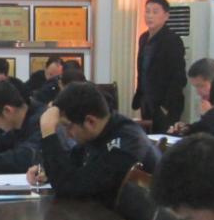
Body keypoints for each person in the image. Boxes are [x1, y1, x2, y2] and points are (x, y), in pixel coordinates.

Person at [28, 82, 160, 207]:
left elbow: (69, 187)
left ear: (90, 121)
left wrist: (48, 133)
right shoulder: (101, 131)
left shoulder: (125, 145)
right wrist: (47, 172)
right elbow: (72, 169)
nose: (67, 134)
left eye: (69, 126)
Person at [131, 0, 187, 133]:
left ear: (166, 16)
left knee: (162, 139)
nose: (150, 16)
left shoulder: (172, 40)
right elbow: (142, 70)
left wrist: (165, 106)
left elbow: (179, 77)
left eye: (155, 12)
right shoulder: (144, 38)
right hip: (146, 101)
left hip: (165, 105)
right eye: (147, 11)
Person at [169, 58, 214, 137]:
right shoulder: (208, 100)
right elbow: (205, 126)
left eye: (201, 86)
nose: (198, 92)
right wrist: (189, 128)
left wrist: (209, 113)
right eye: (195, 87)